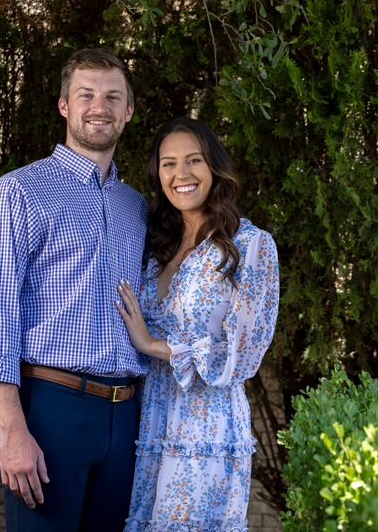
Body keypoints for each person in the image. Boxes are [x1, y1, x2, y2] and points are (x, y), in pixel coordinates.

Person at [0, 48, 148, 532]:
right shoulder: (17, 193)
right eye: (86, 94)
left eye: (113, 96)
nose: (99, 107)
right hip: (52, 410)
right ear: (64, 105)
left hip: (127, 416)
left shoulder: (136, 206)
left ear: (128, 110)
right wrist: (12, 430)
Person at [115, 116, 280, 531]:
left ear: (214, 168)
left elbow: (242, 354)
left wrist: (155, 346)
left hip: (206, 427)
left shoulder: (250, 245)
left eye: (194, 161)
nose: (181, 174)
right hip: (149, 418)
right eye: (169, 164)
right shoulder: (154, 246)